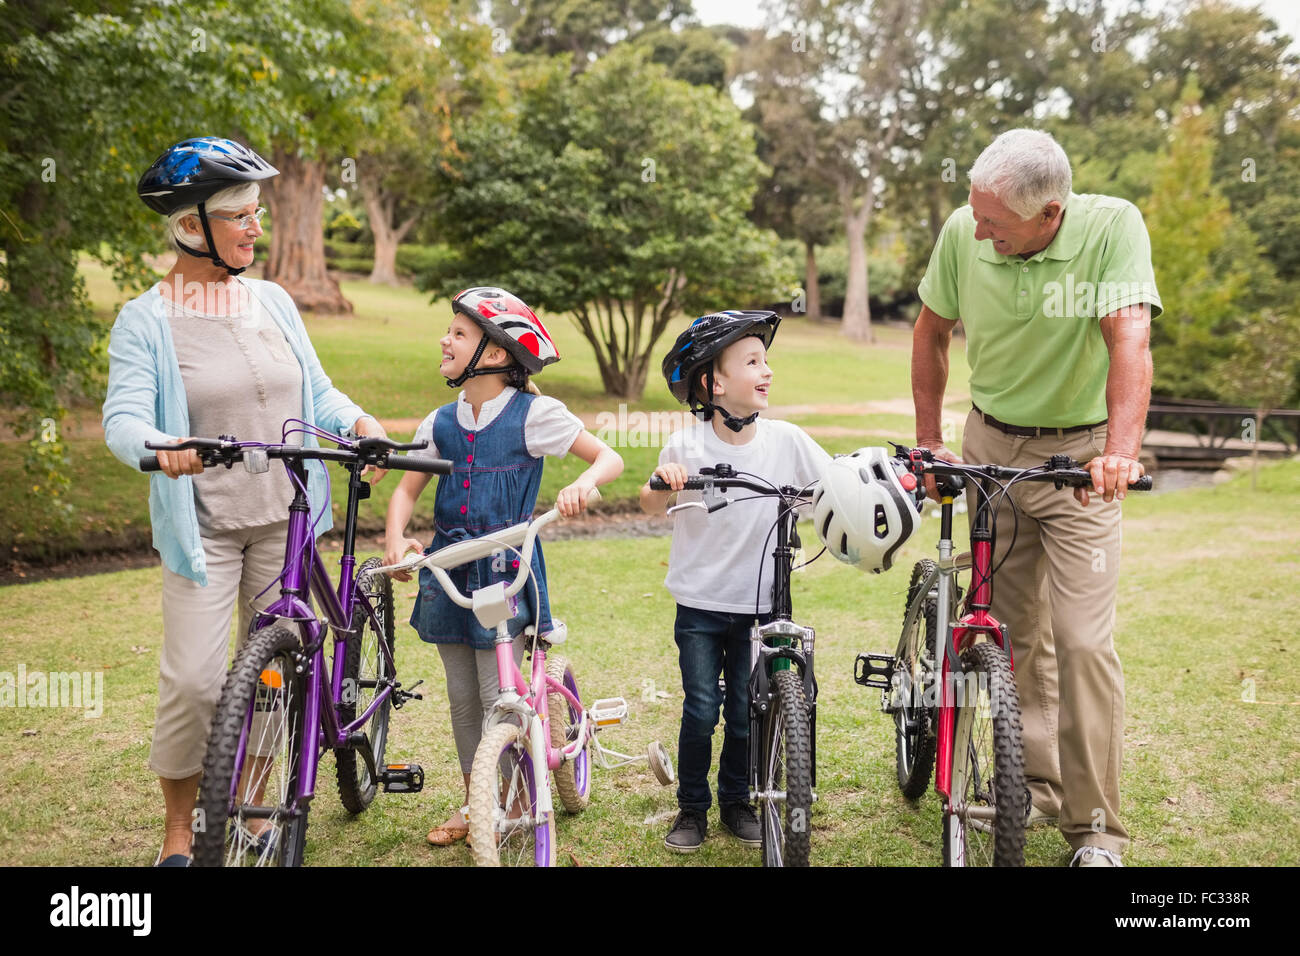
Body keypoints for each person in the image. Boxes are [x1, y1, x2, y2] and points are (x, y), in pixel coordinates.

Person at [103, 137, 388, 866]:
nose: (255, 226)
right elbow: (124, 418)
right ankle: (179, 832)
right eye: (238, 214)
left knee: (271, 678)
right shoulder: (147, 320)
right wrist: (159, 445)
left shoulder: (271, 300)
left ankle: (257, 807)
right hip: (207, 528)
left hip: (285, 520)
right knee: (197, 682)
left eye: (256, 212)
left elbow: (314, 392)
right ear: (190, 226)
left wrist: (357, 423)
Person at [911, 128, 1159, 867]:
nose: (978, 232)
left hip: (1081, 466)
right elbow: (930, 335)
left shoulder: (1112, 227)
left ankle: (1095, 832)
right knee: (1009, 633)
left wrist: (1119, 451)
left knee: (1082, 641)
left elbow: (1129, 340)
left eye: (996, 224)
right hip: (991, 451)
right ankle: (1036, 787)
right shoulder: (966, 229)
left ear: (1050, 213)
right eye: (975, 215)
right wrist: (930, 440)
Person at [384, 287, 623, 847]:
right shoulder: (439, 421)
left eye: (459, 334)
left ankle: (515, 798)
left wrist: (582, 484)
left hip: (504, 568)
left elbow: (607, 457)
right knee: (464, 697)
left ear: (494, 354)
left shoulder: (534, 415)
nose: (445, 339)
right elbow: (406, 491)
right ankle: (476, 801)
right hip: (448, 570)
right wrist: (397, 540)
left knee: (499, 696)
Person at [640, 310, 831, 853]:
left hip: (761, 607)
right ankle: (692, 809)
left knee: (749, 712)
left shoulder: (787, 442)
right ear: (714, 383)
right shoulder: (686, 445)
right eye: (753, 362)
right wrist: (663, 480)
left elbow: (833, 485)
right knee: (700, 709)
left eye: (766, 360)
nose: (766, 371)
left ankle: (738, 801)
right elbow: (650, 502)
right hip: (700, 606)